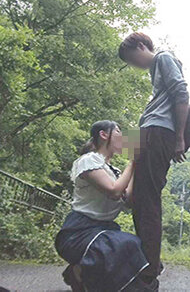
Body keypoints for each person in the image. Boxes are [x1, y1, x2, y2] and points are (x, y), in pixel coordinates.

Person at [118, 32, 190, 289]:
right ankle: (146, 263)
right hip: (146, 131)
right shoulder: (155, 73)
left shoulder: (163, 57)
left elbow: (182, 93)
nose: (134, 64)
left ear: (141, 46)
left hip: (156, 132)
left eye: (131, 59)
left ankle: (148, 273)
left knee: (147, 201)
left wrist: (179, 137)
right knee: (137, 199)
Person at [54, 120, 151, 292]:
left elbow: (128, 200)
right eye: (118, 131)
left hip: (104, 230)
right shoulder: (88, 160)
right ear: (104, 134)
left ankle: (80, 274)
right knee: (125, 244)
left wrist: (137, 165)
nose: (123, 137)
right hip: (78, 232)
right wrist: (132, 162)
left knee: (134, 244)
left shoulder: (115, 171)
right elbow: (114, 191)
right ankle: (78, 272)